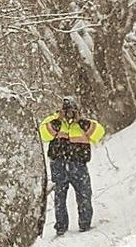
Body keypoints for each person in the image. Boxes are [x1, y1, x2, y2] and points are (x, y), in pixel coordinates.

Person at [39, 96, 106, 236]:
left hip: (79, 164)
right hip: (58, 164)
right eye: (66, 110)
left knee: (84, 195)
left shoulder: (84, 123)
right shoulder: (54, 120)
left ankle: (85, 224)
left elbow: (99, 133)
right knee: (60, 197)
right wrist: (57, 122)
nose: (69, 114)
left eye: (72, 110)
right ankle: (61, 227)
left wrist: (82, 122)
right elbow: (42, 134)